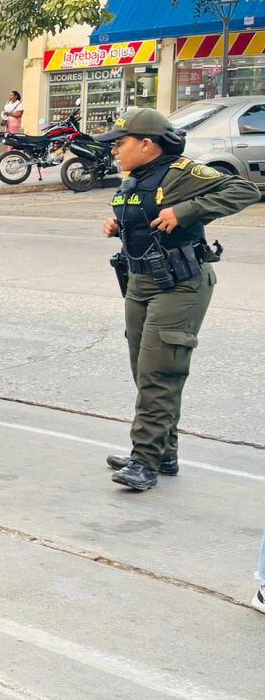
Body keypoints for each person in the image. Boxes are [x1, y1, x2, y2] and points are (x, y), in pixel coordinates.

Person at [97, 108, 257, 491]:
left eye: (121, 144)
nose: (116, 151)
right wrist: (118, 225)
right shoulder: (135, 178)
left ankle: (145, 461)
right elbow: (142, 217)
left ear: (146, 145)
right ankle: (164, 453)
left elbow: (244, 189)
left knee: (159, 372)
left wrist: (186, 211)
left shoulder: (182, 173)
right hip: (140, 281)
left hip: (180, 284)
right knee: (144, 369)